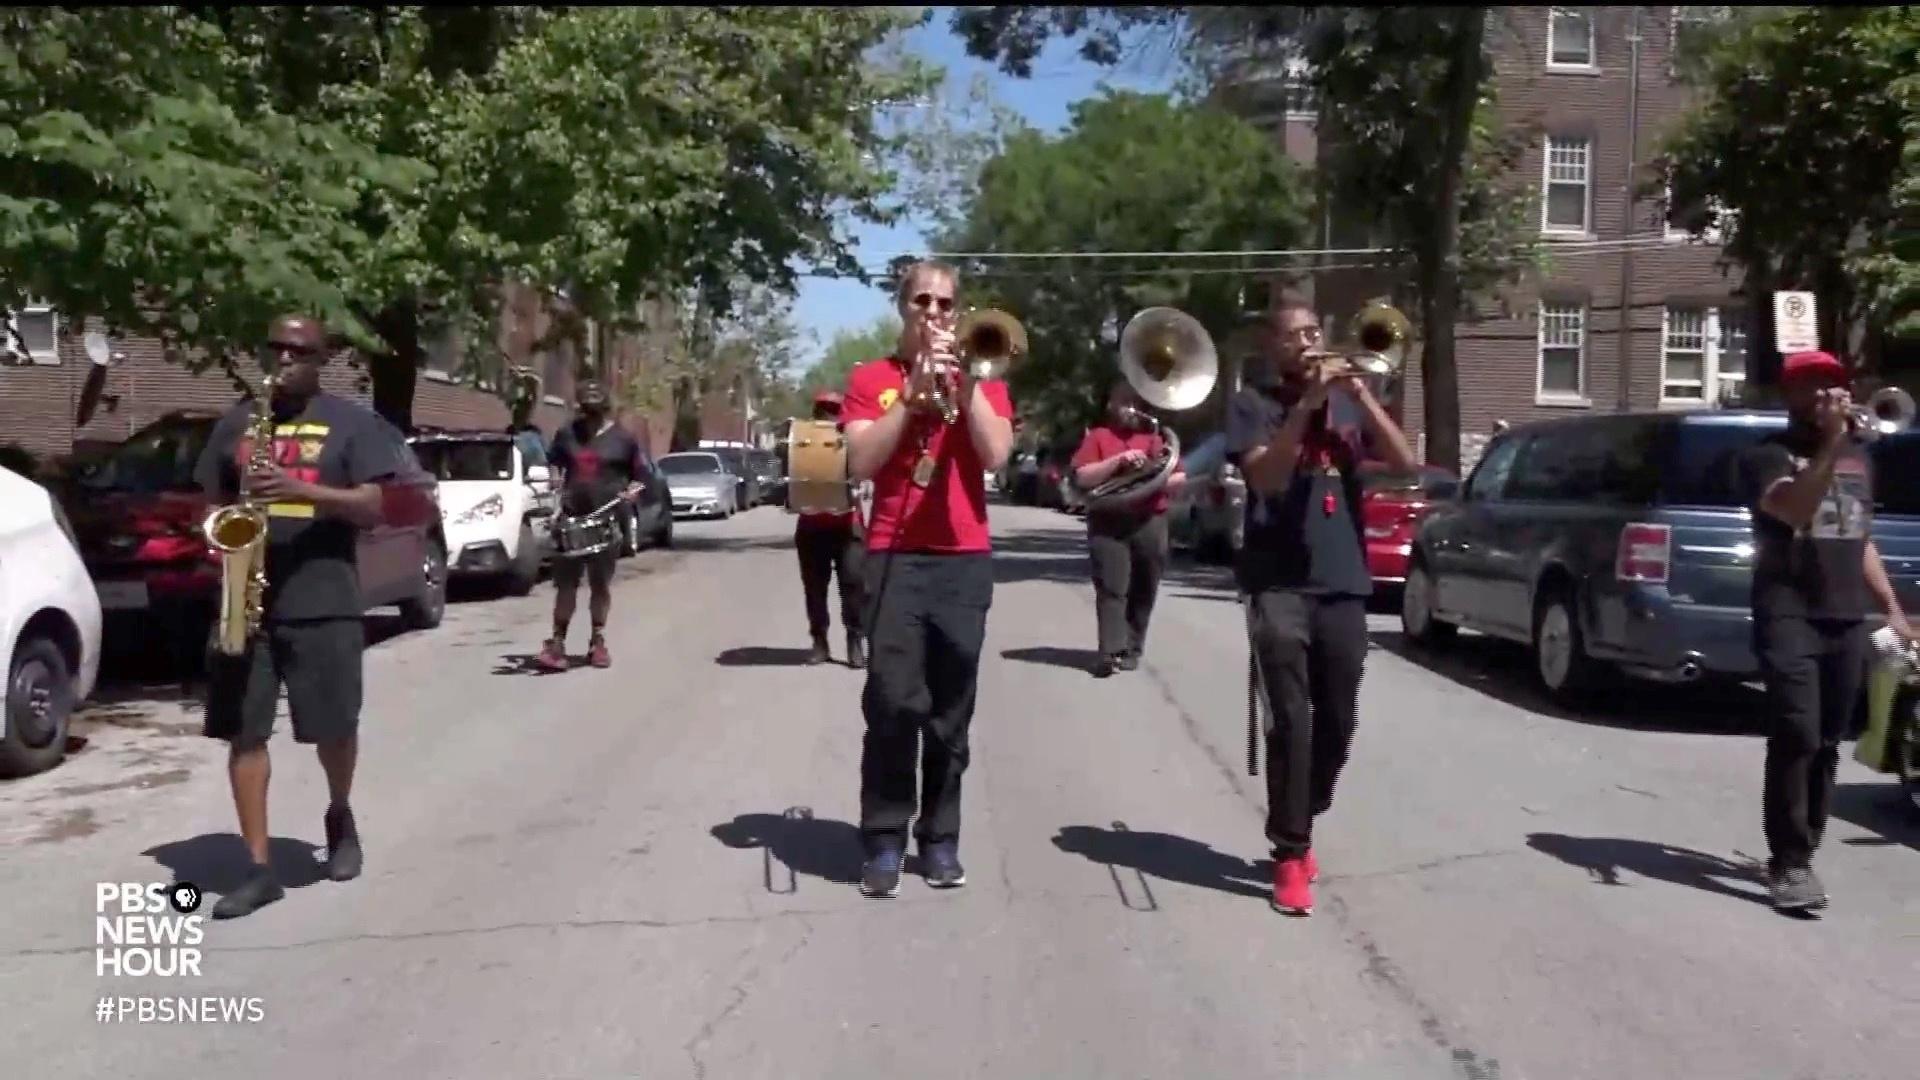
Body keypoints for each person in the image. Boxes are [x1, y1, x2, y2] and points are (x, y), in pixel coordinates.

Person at [193, 315, 400, 919]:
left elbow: (372, 506)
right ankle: (259, 868)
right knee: (244, 731)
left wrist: (298, 488)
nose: (283, 358)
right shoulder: (236, 422)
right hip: (247, 602)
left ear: (322, 359)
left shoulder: (351, 425)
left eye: (297, 350)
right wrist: (218, 534)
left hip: (324, 597)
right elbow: (208, 503)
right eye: (274, 347)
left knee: (334, 726)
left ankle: (339, 814)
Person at [1225, 295, 1419, 916]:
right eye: (1296, 336)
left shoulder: (1347, 405)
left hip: (1343, 582)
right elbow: (1267, 478)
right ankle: (1290, 853)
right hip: (1277, 584)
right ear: (1273, 346)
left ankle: (1303, 810)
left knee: (1339, 720)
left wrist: (1361, 398)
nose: (1309, 344)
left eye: (1315, 332)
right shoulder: (1251, 406)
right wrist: (1305, 409)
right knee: (1290, 720)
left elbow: (1408, 464)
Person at [841, 259, 1015, 899]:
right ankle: (884, 838)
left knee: (950, 710)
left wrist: (962, 385)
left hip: (963, 557)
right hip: (892, 553)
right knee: (891, 702)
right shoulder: (871, 379)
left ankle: (940, 839)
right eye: (923, 301)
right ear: (903, 308)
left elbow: (996, 454)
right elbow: (859, 459)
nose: (935, 314)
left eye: (946, 304)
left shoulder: (985, 377)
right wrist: (911, 397)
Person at [1740, 349, 1914, 912]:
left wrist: (1890, 604)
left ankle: (1806, 847)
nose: (1822, 396)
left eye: (1830, 385)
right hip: (1786, 609)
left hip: (1844, 615)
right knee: (1796, 730)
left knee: (1827, 742)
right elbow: (1793, 510)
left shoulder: (1861, 458)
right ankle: (1787, 862)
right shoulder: (1766, 455)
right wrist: (1834, 443)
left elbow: (1858, 536)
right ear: (1788, 396)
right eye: (1808, 387)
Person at [1071, 381, 1187, 677]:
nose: (1128, 407)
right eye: (1122, 400)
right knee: (1111, 587)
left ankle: (1133, 647)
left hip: (1150, 520)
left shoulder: (1156, 439)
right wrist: (1118, 461)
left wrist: (1151, 474)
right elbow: (1083, 477)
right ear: (1111, 404)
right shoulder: (1098, 436)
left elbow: (1178, 479)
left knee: (1144, 586)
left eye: (1134, 401)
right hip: (1108, 521)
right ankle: (1110, 651)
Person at [536, 380, 646, 672]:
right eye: (586, 410)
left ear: (605, 410)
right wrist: (555, 478)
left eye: (595, 412)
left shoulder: (624, 439)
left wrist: (632, 491)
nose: (589, 417)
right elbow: (554, 463)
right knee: (566, 586)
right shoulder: (567, 434)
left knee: (600, 585)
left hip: (606, 519)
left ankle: (597, 641)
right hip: (571, 518)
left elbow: (640, 476)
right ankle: (557, 642)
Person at [795, 390, 868, 668]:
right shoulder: (803, 441)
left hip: (849, 527)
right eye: (824, 409)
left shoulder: (856, 439)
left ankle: (855, 643)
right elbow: (788, 473)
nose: (830, 415)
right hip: (811, 526)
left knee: (854, 588)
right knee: (814, 590)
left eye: (835, 410)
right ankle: (819, 643)